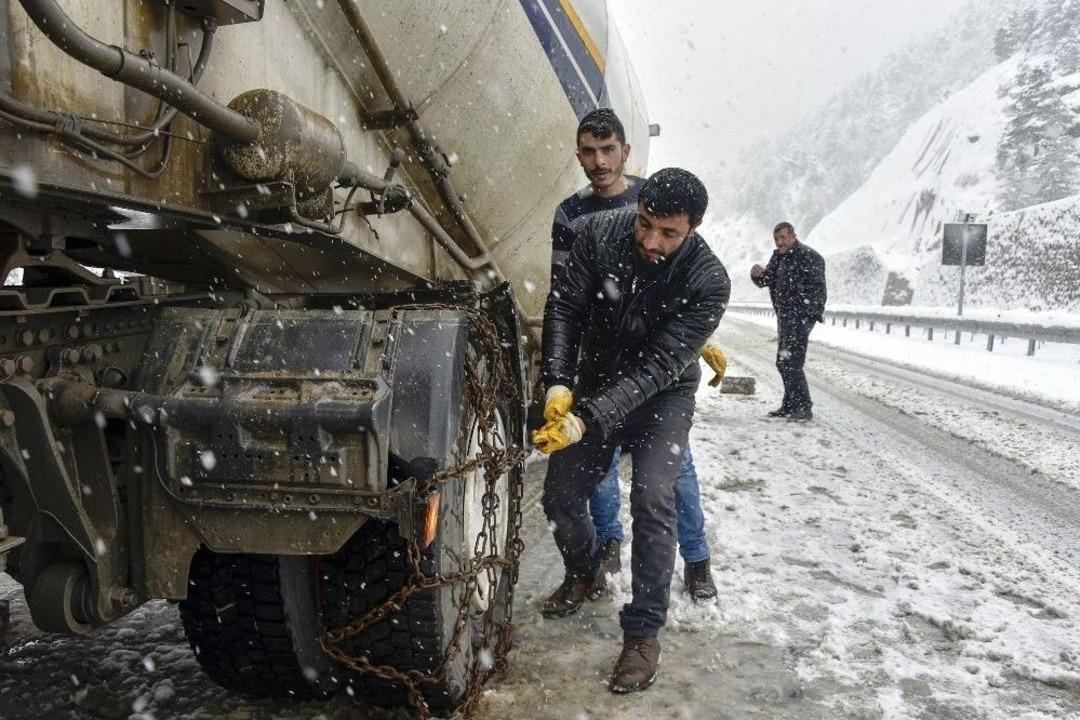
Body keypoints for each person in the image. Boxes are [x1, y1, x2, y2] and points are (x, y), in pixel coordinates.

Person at [534, 168, 730, 693]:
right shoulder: (600, 234)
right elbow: (564, 308)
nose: (651, 242)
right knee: (559, 499)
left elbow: (659, 366)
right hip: (596, 380)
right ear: (638, 208)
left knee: (653, 498)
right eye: (646, 224)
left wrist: (586, 418)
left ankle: (643, 632)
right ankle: (584, 569)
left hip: (663, 395)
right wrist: (556, 382)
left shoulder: (709, 280)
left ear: (694, 228)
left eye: (669, 233)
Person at [550, 108, 725, 602]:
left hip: (659, 378)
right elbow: (563, 298)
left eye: (608, 150)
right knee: (593, 478)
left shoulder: (662, 199)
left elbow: (677, 311)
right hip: (603, 364)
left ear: (627, 152)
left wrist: (692, 337)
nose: (651, 240)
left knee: (664, 483)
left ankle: (695, 558)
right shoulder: (575, 216)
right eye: (589, 150)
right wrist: (559, 377)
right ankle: (604, 551)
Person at [750, 222, 827, 420]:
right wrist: (757, 275)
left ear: (793, 235)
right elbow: (767, 280)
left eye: (783, 238)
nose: (779, 242)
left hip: (800, 318)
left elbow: (819, 291)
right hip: (784, 317)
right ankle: (790, 405)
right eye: (776, 239)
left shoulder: (810, 256)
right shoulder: (779, 257)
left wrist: (805, 314)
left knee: (792, 362)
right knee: (782, 362)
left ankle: (803, 407)